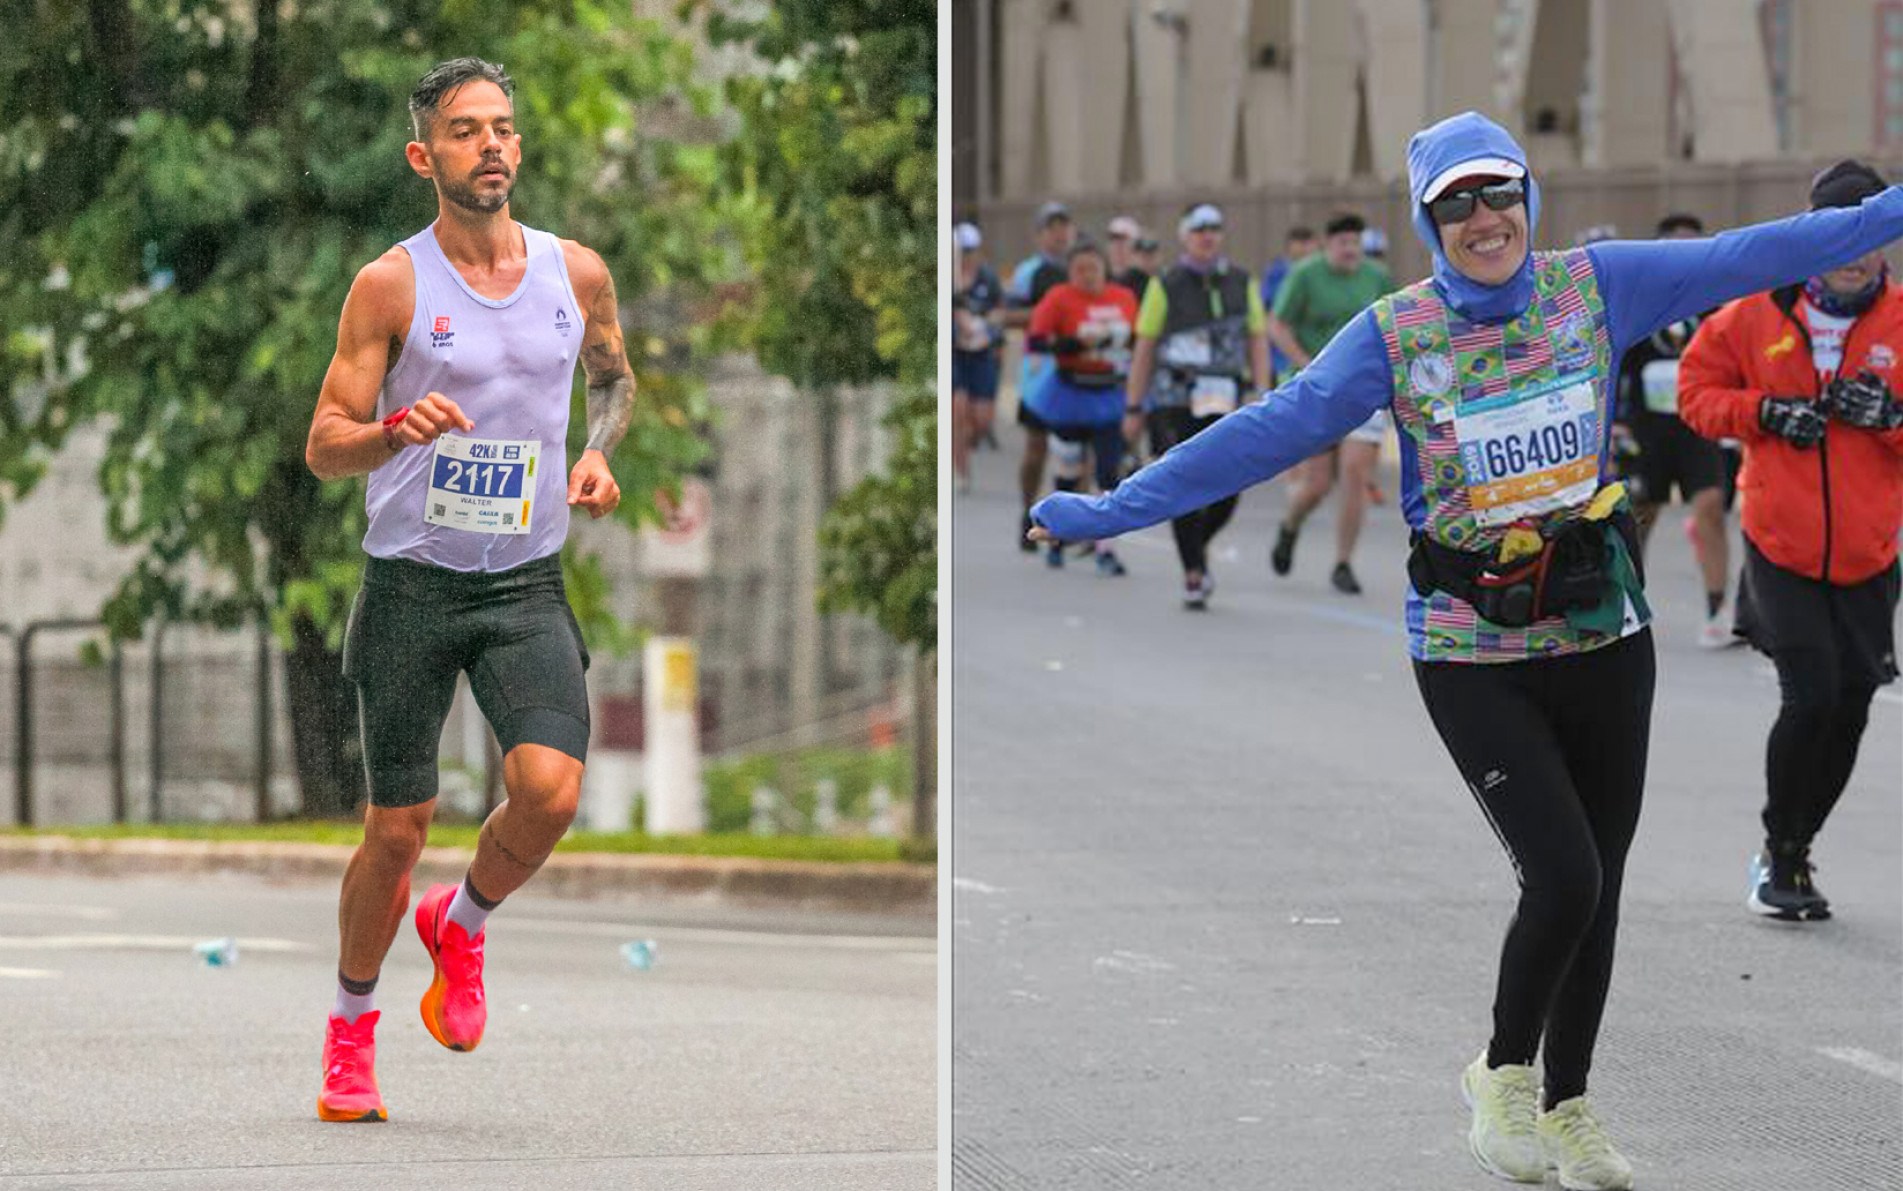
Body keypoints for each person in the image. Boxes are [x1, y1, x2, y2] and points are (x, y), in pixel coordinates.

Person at [1030, 110, 1903, 1190]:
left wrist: (1889, 213)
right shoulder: (1395, 336)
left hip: (1601, 632)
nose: (1482, 220)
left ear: (1527, 199)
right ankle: (1502, 1075)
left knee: (1604, 887)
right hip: (1469, 648)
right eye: (1456, 204)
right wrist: (1112, 508)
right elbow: (1268, 428)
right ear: (1427, 221)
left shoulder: (1598, 288)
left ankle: (1572, 1108)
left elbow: (1768, 251)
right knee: (1563, 876)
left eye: (1497, 195)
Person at [303, 57, 647, 1123]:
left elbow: (614, 376)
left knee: (548, 790)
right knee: (397, 828)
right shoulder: (391, 286)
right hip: (412, 585)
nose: (491, 145)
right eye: (464, 131)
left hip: (524, 583)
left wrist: (595, 455)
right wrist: (389, 431)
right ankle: (351, 1029)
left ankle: (464, 923)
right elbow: (324, 446)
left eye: (502, 126)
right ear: (425, 156)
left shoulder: (575, 272)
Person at [1679, 160, 1903, 922]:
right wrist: (1764, 414)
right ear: (1809, 233)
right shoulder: (1748, 315)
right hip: (1779, 542)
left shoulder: (1900, 319)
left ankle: (1798, 845)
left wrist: (1890, 415)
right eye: (1837, 232)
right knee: (1808, 693)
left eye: (1870, 233)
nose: (1853, 250)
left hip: (1870, 553)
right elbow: (1692, 397)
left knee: (1851, 702)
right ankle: (1778, 854)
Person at [1122, 202, 1271, 608]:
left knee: (1231, 484)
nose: (1207, 236)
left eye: (1214, 229)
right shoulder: (1165, 284)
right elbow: (1145, 347)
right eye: (1199, 229)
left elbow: (1257, 337)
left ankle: (1195, 547)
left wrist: (1261, 387)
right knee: (1186, 480)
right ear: (1185, 236)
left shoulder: (1242, 281)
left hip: (1226, 396)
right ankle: (1193, 571)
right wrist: (1134, 406)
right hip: (1176, 399)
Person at [1610, 213, 1737, 647]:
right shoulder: (1640, 303)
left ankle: (1719, 611)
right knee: (1639, 515)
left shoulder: (1717, 305)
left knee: (1711, 506)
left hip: (1697, 425)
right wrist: (1615, 423)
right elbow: (1617, 365)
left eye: (1693, 246)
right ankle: (1626, 607)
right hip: (1647, 427)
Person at [1266, 211, 1394, 594]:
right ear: (1328, 245)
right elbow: (1277, 323)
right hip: (1318, 389)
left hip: (1362, 390)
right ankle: (1290, 526)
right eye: (1343, 243)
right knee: (1318, 484)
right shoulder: (1305, 275)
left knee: (1356, 472)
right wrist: (1307, 365)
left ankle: (1343, 562)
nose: (1350, 250)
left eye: (1356, 243)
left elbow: (1394, 322)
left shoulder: (1376, 277)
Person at [1026, 241, 1140, 575]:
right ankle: (1056, 537)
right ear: (1070, 272)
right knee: (1069, 470)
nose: (1087, 275)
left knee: (1108, 473)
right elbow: (1036, 341)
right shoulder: (1059, 298)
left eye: (1093, 267)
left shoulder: (1123, 298)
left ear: (1105, 268)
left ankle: (1106, 549)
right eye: (1079, 269)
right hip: (1070, 392)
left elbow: (1140, 338)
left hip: (1109, 392)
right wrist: (1075, 343)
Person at [1004, 201, 1077, 550]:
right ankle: (1026, 509)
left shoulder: (1082, 269)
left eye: (1064, 227)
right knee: (1037, 448)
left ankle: (1066, 519)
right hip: (1040, 368)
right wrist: (1048, 313)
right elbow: (1009, 314)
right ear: (1040, 234)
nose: (1059, 234)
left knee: (1075, 450)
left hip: (1076, 369)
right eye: (1052, 228)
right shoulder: (1029, 272)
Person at [952, 221, 1005, 495]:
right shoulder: (949, 277)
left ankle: (968, 441)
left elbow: (999, 309)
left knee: (981, 420)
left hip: (981, 351)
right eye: (962, 250)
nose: (967, 255)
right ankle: (961, 471)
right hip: (955, 353)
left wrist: (986, 326)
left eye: (971, 250)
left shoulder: (987, 278)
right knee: (957, 411)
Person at [1260, 225, 1317, 383]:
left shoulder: (1320, 274)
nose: (1305, 249)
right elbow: (1268, 309)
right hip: (1280, 354)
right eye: (1300, 243)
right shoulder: (1277, 273)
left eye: (1308, 243)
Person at [1107, 214, 1152, 295]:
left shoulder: (1142, 281)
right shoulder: (1103, 278)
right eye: (1113, 239)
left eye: (1123, 239)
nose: (1117, 244)